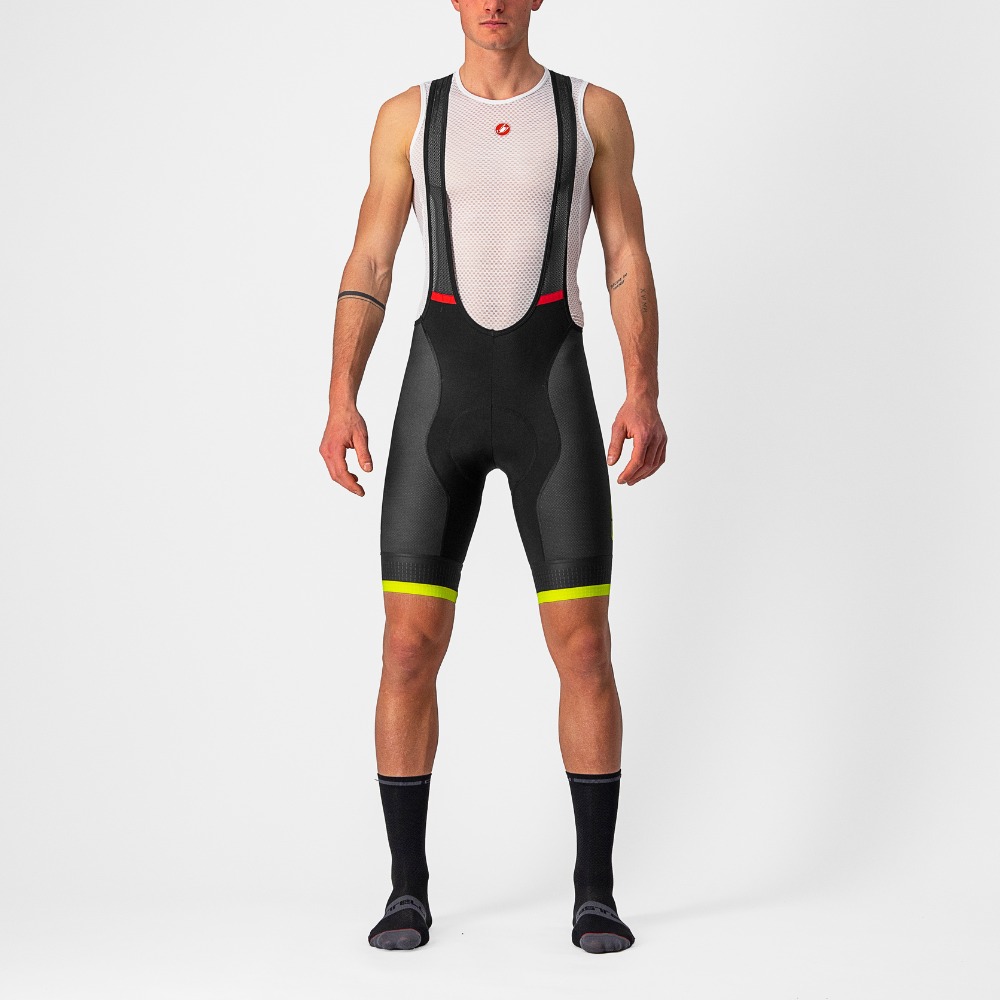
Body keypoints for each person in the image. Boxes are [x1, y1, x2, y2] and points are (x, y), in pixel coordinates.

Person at [319, 0, 666, 954]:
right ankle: (407, 891)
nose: (494, 1)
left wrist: (642, 389)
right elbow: (373, 255)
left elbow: (625, 255)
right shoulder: (409, 115)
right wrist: (342, 395)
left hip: (551, 396)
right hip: (439, 399)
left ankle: (594, 892)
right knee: (406, 648)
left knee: (584, 648)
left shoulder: (592, 111)